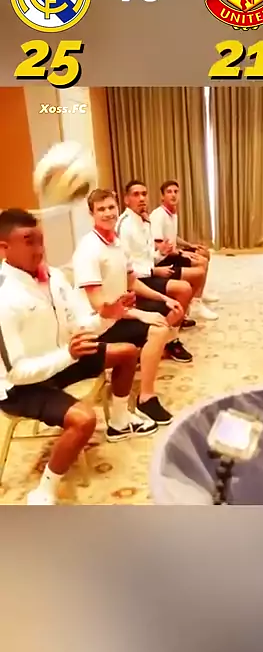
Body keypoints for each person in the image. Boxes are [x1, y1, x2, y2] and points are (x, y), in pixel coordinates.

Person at [0, 208, 155, 506]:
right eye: (29, 241)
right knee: (84, 420)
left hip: (61, 359)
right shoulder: (4, 296)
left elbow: (79, 325)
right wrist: (68, 355)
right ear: (4, 248)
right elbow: (16, 372)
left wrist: (108, 316)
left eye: (41, 240)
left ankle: (120, 421)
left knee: (126, 352)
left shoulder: (54, 277)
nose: (39, 249)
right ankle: (44, 490)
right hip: (21, 387)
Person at [73, 189, 181, 428]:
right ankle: (145, 398)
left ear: (117, 208)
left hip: (117, 316)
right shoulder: (88, 249)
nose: (108, 213)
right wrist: (142, 314)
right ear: (92, 214)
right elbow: (101, 306)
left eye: (111, 207)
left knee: (163, 319)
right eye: (101, 209)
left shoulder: (117, 243)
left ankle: (144, 395)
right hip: (96, 327)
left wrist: (163, 298)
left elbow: (132, 281)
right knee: (158, 328)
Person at [116, 179, 194, 362]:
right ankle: (169, 340)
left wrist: (161, 254)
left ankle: (167, 338)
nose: (142, 198)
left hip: (147, 272)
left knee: (184, 290)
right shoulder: (125, 225)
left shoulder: (144, 221)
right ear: (126, 199)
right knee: (183, 289)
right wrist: (153, 271)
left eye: (144, 194)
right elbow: (124, 266)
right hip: (137, 279)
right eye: (136, 195)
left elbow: (148, 255)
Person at [150, 180, 218, 320]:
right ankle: (196, 304)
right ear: (162, 196)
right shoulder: (158, 215)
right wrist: (183, 253)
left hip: (172, 253)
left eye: (176, 191)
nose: (173, 195)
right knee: (201, 262)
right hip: (162, 260)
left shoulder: (172, 213)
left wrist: (190, 245)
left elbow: (173, 237)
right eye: (169, 192)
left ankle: (199, 292)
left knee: (203, 252)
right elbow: (159, 245)